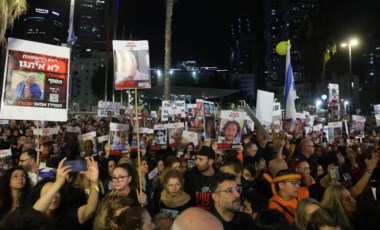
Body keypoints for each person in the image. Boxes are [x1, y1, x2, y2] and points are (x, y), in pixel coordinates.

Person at [29, 157, 99, 229]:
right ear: (38, 198)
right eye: (49, 193)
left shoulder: (66, 216)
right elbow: (34, 213)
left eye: (57, 192)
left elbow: (89, 210)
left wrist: (94, 182)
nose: (55, 196)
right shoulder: (33, 221)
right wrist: (58, 182)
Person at [184, 145, 216, 210]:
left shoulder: (219, 177)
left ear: (210, 161)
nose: (196, 162)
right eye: (196, 158)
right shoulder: (190, 175)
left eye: (200, 159)